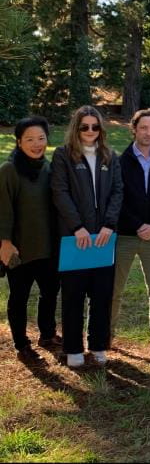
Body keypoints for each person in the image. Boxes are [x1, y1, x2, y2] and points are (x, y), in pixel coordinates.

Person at [51, 106, 123, 368]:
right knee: (73, 295)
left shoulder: (109, 156)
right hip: (75, 238)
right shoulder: (63, 155)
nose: (90, 131)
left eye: (95, 126)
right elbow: (60, 192)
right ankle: (73, 347)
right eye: (85, 127)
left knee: (102, 294)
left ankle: (98, 345)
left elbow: (117, 192)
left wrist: (108, 225)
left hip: (104, 238)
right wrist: (78, 227)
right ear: (76, 129)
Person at [111, 109, 150, 356]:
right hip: (126, 236)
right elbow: (117, 198)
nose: (148, 132)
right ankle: (107, 335)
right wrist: (137, 224)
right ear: (134, 129)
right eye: (144, 128)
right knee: (113, 289)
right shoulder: (119, 161)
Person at [0, 116, 61, 365]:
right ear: (18, 142)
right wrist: (4, 243)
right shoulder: (9, 170)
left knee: (50, 293)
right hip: (19, 249)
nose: (36, 144)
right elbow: (2, 209)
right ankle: (21, 344)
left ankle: (47, 335)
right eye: (30, 139)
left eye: (41, 138)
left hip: (48, 248)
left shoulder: (50, 168)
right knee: (19, 297)